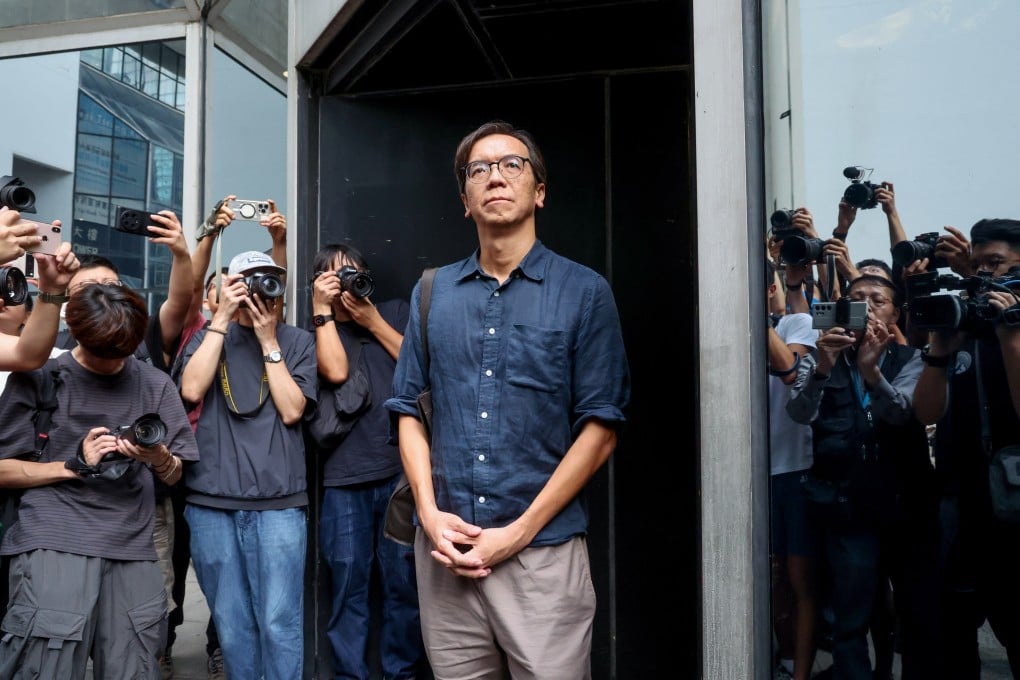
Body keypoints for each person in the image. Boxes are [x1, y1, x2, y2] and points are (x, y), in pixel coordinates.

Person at [384, 120, 631, 677]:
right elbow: (407, 413)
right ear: (466, 200)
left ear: (539, 191)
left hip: (541, 559)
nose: (495, 176)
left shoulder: (584, 293)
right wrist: (427, 513)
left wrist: (516, 534)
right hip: (447, 556)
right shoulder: (432, 293)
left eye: (511, 164)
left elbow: (602, 429)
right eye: (479, 169)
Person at [0, 283, 198, 679]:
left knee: (137, 667)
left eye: (122, 354)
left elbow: (177, 473)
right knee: (46, 666)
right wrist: (73, 465)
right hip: (54, 541)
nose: (112, 363)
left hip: (133, 548)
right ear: (75, 331)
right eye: (101, 353)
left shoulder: (155, 384)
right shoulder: (41, 377)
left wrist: (156, 456)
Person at [787, 274, 940, 680]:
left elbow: (902, 412)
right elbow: (799, 414)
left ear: (896, 313)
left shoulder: (914, 359)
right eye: (856, 299)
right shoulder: (823, 356)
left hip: (904, 505)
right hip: (847, 505)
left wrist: (873, 371)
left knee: (916, 615)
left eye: (878, 300)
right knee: (849, 619)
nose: (867, 306)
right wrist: (822, 368)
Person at [177, 249, 317, 680]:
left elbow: (293, 410)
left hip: (279, 504)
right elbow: (191, 389)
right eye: (249, 281)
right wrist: (220, 319)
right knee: (232, 627)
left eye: (269, 282)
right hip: (211, 504)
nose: (260, 291)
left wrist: (269, 341)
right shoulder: (207, 338)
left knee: (279, 624)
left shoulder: (297, 341)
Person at [310, 243, 425, 678]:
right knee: (348, 592)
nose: (344, 284)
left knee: (404, 588)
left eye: (352, 274)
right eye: (333, 277)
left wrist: (371, 320)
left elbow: (422, 368)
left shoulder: (394, 311)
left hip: (401, 475)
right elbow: (334, 373)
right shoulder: (315, 332)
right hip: (344, 480)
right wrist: (323, 312)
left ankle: (404, 674)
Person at [912, 218, 1020, 678]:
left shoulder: (1011, 327)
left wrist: (1010, 333)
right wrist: (939, 349)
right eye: (974, 266)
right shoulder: (962, 321)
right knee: (953, 640)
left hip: (1013, 512)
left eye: (994, 264)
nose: (982, 276)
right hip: (961, 504)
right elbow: (926, 414)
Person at [766, 259, 818, 680]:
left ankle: (799, 672)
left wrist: (759, 320)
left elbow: (789, 373)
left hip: (792, 468)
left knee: (800, 581)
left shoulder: (797, 323)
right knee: (770, 579)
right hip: (751, 473)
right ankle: (780, 660)